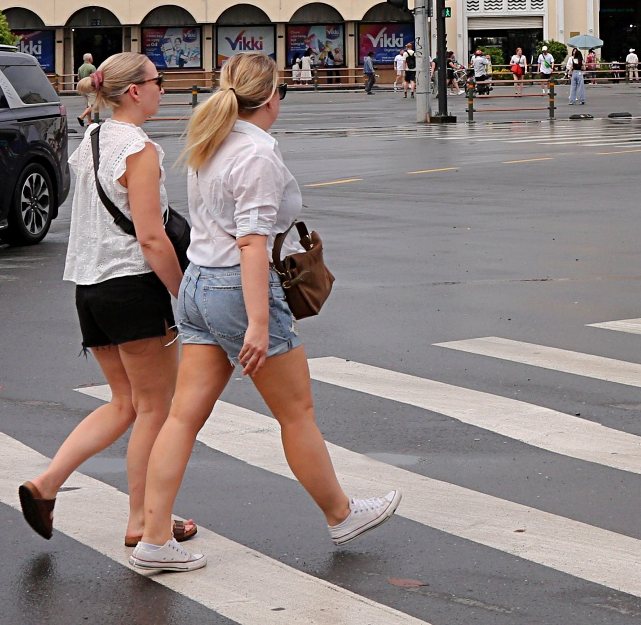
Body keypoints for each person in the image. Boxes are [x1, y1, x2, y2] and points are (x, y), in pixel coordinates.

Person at [134, 54, 399, 573]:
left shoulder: (210, 138)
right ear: (273, 96)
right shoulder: (256, 153)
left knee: (183, 417)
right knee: (296, 412)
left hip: (198, 283)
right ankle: (341, 514)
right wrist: (258, 322)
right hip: (236, 288)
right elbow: (252, 244)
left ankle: (154, 536)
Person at [20, 53, 194, 552]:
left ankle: (47, 484)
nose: (164, 89)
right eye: (158, 82)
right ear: (135, 91)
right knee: (155, 408)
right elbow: (152, 238)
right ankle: (141, 519)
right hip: (132, 287)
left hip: (89, 288)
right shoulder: (139, 149)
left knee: (124, 404)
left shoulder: (94, 138)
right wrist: (186, 293)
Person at [76, 53, 99, 125]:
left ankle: (89, 121)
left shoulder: (80, 68)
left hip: (83, 89)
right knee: (92, 105)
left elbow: (78, 78)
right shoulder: (92, 67)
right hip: (90, 88)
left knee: (88, 105)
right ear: (89, 59)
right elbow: (95, 79)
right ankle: (81, 116)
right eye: (92, 58)